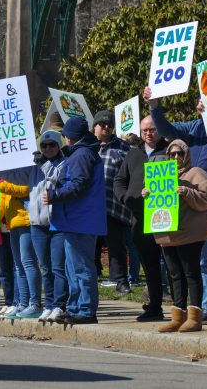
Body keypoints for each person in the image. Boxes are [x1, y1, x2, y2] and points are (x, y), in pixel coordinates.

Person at [144, 86, 207, 326]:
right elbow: (166, 130)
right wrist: (155, 106)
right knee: (202, 260)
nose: (202, 104)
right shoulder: (192, 128)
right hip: (192, 201)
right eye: (202, 101)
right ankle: (206, 307)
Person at [43, 117, 107, 324]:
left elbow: (79, 185)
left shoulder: (82, 154)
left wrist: (54, 195)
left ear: (70, 137)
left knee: (80, 267)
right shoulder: (82, 152)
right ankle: (76, 307)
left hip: (81, 219)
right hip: (76, 219)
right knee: (73, 267)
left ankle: (86, 310)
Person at [151, 140, 207, 333]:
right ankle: (178, 315)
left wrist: (188, 192)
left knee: (191, 272)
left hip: (190, 232)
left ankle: (195, 316)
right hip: (168, 232)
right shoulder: (160, 174)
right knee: (175, 274)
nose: (176, 157)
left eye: (180, 153)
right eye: (172, 154)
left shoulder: (196, 172)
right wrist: (148, 193)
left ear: (186, 154)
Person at [114, 115, 169, 321]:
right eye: (145, 130)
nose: (148, 133)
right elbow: (120, 180)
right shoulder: (133, 153)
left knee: (173, 265)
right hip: (140, 217)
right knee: (150, 265)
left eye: (153, 129)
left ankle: (184, 307)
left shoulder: (169, 150)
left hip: (166, 217)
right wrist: (126, 197)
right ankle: (155, 307)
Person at [0, 174, 42, 320]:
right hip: (13, 225)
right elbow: (2, 204)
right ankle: (23, 303)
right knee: (18, 266)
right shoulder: (6, 179)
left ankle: (35, 303)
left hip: (26, 223)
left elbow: (23, 190)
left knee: (28, 263)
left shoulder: (24, 174)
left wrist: (0, 186)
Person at [28, 130, 68, 323]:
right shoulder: (34, 166)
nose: (48, 148)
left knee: (58, 267)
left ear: (59, 146)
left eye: (52, 145)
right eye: (44, 146)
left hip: (57, 223)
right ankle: (50, 304)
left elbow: (54, 177)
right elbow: (15, 176)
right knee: (45, 267)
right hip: (37, 224)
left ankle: (60, 305)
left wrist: (41, 163)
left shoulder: (64, 162)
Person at [93, 109, 134, 295]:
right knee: (89, 246)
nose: (106, 128)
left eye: (110, 125)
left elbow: (134, 171)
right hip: (90, 206)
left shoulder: (124, 147)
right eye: (102, 124)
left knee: (116, 245)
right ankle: (90, 278)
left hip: (114, 205)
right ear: (95, 127)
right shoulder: (87, 147)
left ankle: (120, 281)